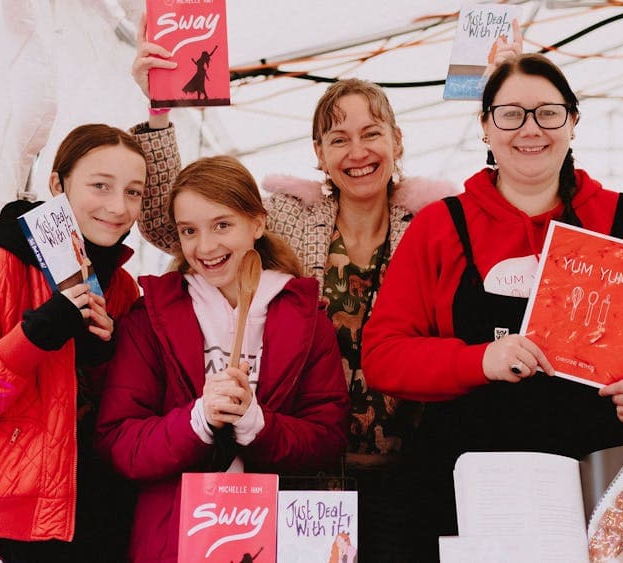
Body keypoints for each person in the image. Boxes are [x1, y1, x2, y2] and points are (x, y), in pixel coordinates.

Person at [132, 19, 458, 559]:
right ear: (318, 151)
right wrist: (159, 111)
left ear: (397, 141)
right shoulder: (286, 214)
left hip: (408, 475)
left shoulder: (433, 226)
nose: (357, 151)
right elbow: (177, 226)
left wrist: (496, 84)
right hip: (301, 475)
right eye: (338, 138)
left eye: (371, 134)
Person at [361, 53, 623, 560]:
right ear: (486, 127)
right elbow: (384, 355)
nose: (530, 129)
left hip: (593, 479)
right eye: (511, 113)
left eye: (548, 112)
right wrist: (478, 360)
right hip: (464, 487)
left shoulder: (622, 219)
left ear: (573, 122)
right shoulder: (440, 226)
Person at [0, 123, 175, 562]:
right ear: (57, 184)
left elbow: (118, 418)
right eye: (100, 185)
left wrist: (103, 360)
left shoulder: (121, 288)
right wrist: (32, 337)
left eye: (133, 192)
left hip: (105, 515)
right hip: (16, 528)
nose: (118, 207)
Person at [95, 155, 349, 563]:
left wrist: (258, 424)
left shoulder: (305, 317)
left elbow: (328, 437)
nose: (206, 246)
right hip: (176, 542)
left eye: (222, 225)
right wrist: (197, 420)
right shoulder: (150, 318)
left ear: (258, 224)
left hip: (278, 542)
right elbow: (118, 443)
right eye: (189, 231)